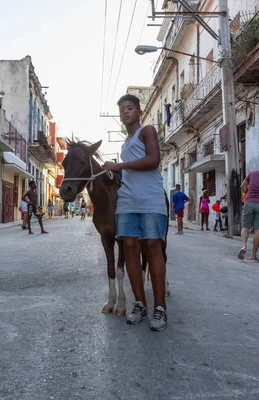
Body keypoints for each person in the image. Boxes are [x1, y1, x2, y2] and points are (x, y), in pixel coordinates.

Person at [103, 94, 168, 332]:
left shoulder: (146, 131)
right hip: (127, 200)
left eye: (129, 108)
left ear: (139, 111)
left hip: (150, 198)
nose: (125, 112)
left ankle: (159, 307)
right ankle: (140, 303)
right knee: (129, 248)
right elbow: (128, 172)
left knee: (152, 247)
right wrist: (113, 174)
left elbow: (153, 159)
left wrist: (118, 165)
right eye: (121, 109)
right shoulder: (125, 143)